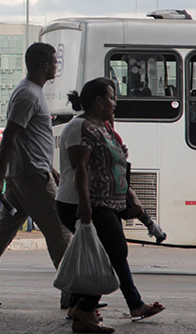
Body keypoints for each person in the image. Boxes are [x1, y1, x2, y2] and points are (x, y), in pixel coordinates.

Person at [0, 42, 71, 307]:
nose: (56, 66)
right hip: (30, 178)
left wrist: (50, 169)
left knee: (2, 232)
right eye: (54, 62)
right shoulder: (28, 94)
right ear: (45, 66)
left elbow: (27, 139)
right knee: (60, 232)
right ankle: (74, 295)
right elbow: (10, 135)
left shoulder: (30, 92)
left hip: (27, 174)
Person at [56, 78, 164, 333]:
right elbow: (80, 168)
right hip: (85, 203)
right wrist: (85, 208)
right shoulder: (79, 127)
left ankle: (80, 306)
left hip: (105, 202)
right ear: (98, 101)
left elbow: (112, 164)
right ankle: (86, 310)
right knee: (114, 251)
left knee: (106, 252)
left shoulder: (101, 126)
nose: (115, 102)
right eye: (112, 97)